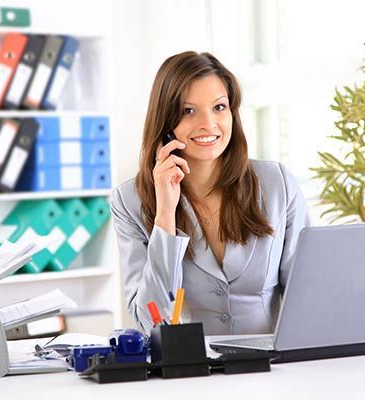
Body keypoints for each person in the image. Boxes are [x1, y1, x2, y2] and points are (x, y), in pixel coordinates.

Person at [111, 51, 310, 335]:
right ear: (166, 122)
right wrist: (165, 215)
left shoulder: (277, 184)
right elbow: (152, 322)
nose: (208, 123)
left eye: (219, 107)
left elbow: (308, 294)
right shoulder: (129, 202)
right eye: (188, 111)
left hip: (271, 366)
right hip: (189, 373)